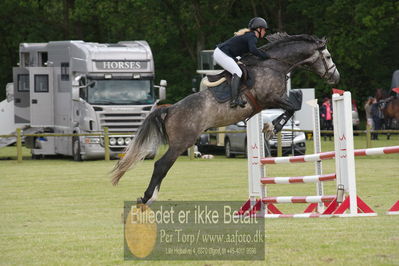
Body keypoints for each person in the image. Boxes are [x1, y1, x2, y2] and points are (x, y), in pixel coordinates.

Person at [213, 17, 270, 108]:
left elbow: (248, 53)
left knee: (239, 69)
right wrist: (265, 56)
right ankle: (234, 100)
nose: (265, 32)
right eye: (264, 30)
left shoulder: (249, 36)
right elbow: (253, 50)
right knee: (237, 72)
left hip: (223, 53)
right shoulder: (252, 36)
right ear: (258, 29)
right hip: (221, 54)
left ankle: (236, 96)